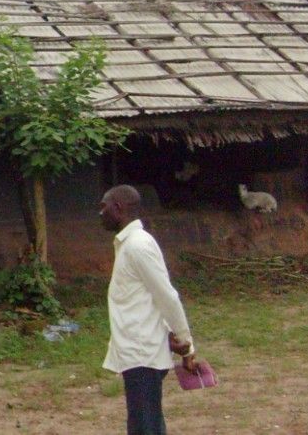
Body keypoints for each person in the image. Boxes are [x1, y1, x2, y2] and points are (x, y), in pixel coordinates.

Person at [99, 184, 198, 435]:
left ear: (118, 208)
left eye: (104, 207)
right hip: (138, 352)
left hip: (142, 355)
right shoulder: (128, 244)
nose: (100, 213)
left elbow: (167, 297)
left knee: (145, 427)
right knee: (147, 425)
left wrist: (186, 343)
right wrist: (168, 336)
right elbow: (145, 301)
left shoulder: (137, 246)